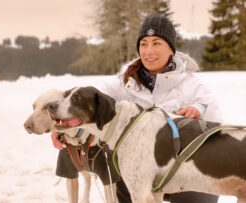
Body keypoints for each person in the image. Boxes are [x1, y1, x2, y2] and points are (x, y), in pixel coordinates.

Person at [52, 13, 222, 203]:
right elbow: (86, 102)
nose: (149, 51)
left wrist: (198, 110)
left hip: (183, 170)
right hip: (139, 170)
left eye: (157, 43)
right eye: (144, 44)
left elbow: (216, 124)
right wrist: (60, 123)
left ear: (171, 49)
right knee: (119, 166)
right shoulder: (124, 82)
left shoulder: (192, 85)